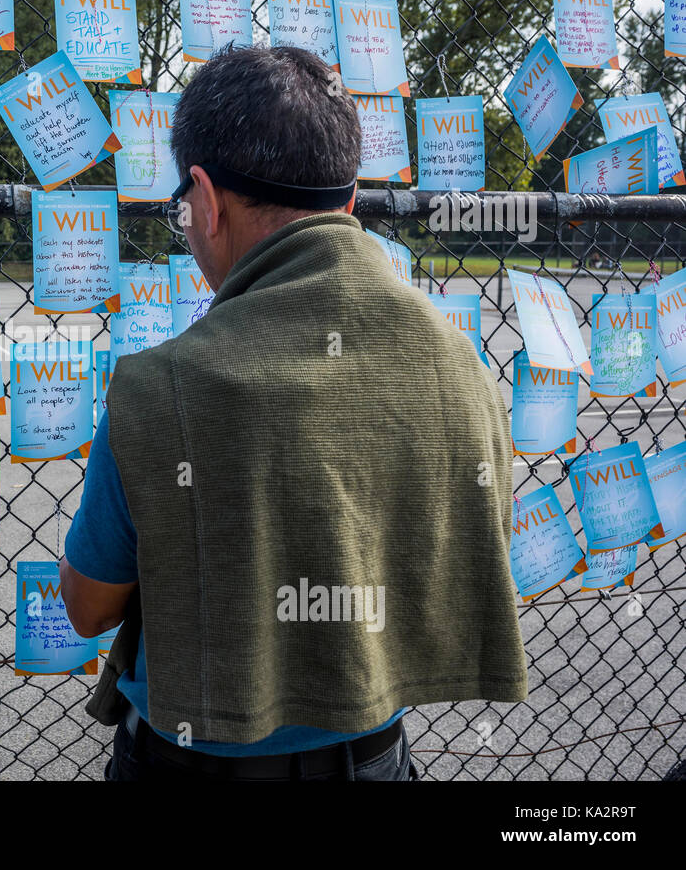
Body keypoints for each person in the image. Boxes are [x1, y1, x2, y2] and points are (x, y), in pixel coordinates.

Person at [59, 45, 527, 781]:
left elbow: (88, 609)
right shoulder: (460, 362)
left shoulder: (158, 388)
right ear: (347, 202)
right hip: (375, 757)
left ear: (206, 200)